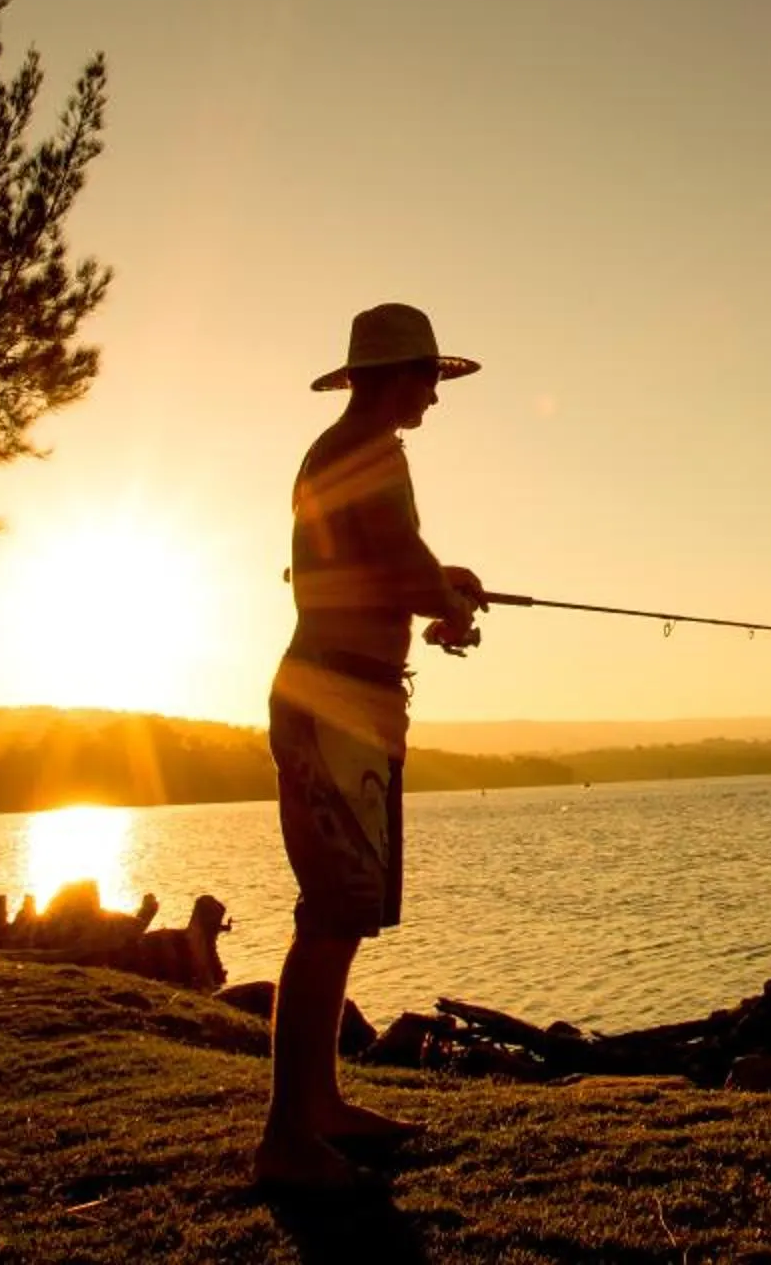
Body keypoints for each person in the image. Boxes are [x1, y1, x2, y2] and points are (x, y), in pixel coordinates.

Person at [256, 301, 486, 1188]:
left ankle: (316, 1107)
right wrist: (449, 601)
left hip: (346, 698)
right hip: (336, 702)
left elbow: (380, 565)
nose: (435, 393)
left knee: (339, 912)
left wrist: (440, 586)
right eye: (428, 377)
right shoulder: (371, 454)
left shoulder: (344, 455)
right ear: (392, 377)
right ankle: (285, 1139)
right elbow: (396, 558)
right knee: (330, 913)